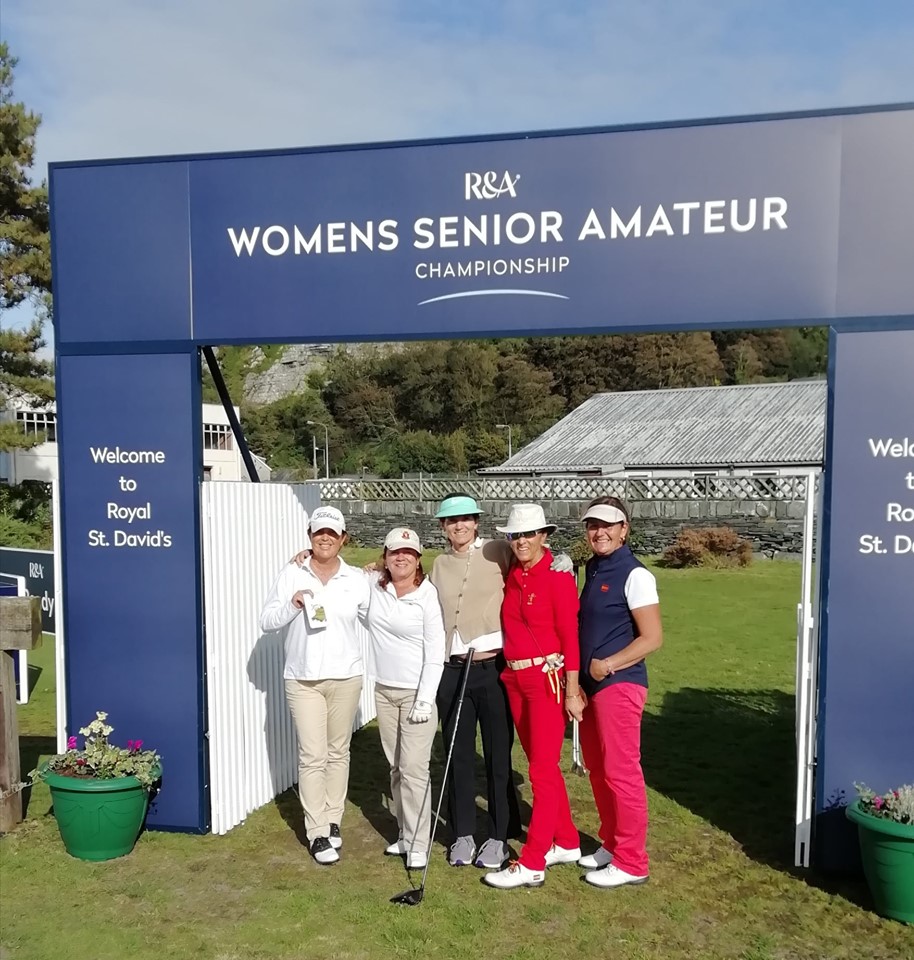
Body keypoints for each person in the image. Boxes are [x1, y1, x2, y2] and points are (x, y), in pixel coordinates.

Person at [259, 506, 370, 866]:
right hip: (303, 679)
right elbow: (267, 621)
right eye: (319, 532)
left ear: (343, 539)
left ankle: (333, 819)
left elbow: (377, 614)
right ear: (310, 535)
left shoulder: (355, 579)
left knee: (339, 752)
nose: (325, 538)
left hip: (346, 677)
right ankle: (317, 832)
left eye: (332, 533)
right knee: (312, 756)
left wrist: (380, 572)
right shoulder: (293, 571)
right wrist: (293, 604)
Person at [483, 503, 584, 889]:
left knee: (541, 771)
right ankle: (569, 840)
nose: (521, 541)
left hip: (547, 682)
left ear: (544, 535)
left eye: (529, 534)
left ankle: (533, 860)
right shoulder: (512, 571)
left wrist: (573, 692)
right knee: (541, 764)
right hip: (514, 680)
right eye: (515, 535)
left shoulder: (558, 577)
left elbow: (571, 639)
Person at [429, 493, 523, 870]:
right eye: (452, 522)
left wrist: (563, 563)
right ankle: (463, 833)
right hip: (453, 671)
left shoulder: (498, 550)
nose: (459, 526)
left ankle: (500, 836)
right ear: (443, 527)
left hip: (493, 669)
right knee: (458, 756)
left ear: (476, 522)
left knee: (498, 756)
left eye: (466, 519)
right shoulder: (437, 564)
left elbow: (534, 562)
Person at [576, 496, 663, 888]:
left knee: (621, 772)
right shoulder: (593, 568)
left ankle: (632, 860)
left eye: (609, 525)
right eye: (594, 525)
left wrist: (608, 664)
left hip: (619, 683)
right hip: (592, 685)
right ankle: (612, 843)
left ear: (625, 529)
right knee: (598, 768)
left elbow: (653, 638)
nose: (600, 531)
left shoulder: (635, 574)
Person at [366, 527, 446, 871]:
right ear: (385, 556)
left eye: (408, 553)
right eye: (395, 552)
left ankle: (418, 842)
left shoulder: (427, 596)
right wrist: (306, 556)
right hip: (384, 691)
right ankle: (404, 831)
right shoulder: (374, 586)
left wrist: (425, 698)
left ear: (418, 559)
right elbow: (336, 573)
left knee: (415, 770)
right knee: (396, 769)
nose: (402, 557)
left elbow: (435, 652)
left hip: (418, 694)